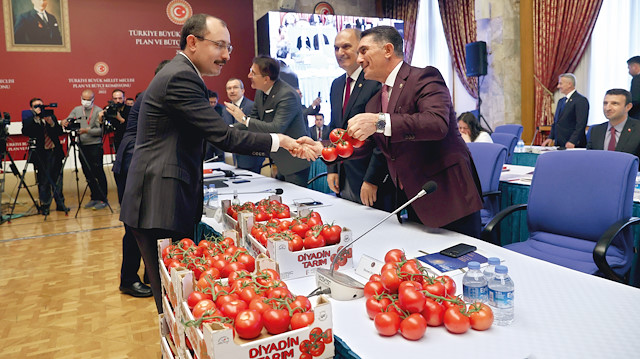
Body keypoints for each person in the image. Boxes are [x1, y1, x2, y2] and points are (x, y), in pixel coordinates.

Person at [119, 14, 307, 313]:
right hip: (159, 203)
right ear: (192, 42)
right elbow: (222, 136)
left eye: (229, 47)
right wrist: (279, 141)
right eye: (220, 45)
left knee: (173, 297)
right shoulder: (181, 76)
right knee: (171, 300)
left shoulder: (181, 73)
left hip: (161, 200)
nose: (227, 55)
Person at [302, 26, 483, 237]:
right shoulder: (375, 101)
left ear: (387, 50)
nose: (359, 59)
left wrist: (379, 122)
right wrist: (323, 148)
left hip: (448, 197)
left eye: (364, 51)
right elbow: (363, 146)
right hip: (414, 199)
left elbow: (436, 124)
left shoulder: (424, 77)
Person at [112, 60, 171, 299]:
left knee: (149, 223)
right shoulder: (154, 95)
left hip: (139, 162)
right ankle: (128, 279)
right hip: (133, 163)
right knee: (134, 225)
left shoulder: (151, 94)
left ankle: (150, 272)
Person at [327, 28, 392, 210]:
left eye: (346, 46)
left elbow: (382, 137)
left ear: (361, 48)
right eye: (336, 48)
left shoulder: (376, 82)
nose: (340, 52)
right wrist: (332, 168)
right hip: (344, 176)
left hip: (371, 180)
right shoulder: (337, 85)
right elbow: (335, 129)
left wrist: (372, 179)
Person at [236, 55, 311, 187]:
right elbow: (253, 120)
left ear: (266, 79)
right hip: (278, 159)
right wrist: (228, 127)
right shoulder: (260, 92)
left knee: (296, 202)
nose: (248, 76)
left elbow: (276, 128)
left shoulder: (287, 94)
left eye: (253, 73)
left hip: (294, 161)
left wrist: (243, 119)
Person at [21, 97, 68, 215]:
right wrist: (36, 119)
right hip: (41, 154)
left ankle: (60, 204)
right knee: (44, 181)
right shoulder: (29, 119)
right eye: (36, 106)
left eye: (41, 106)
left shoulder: (51, 116)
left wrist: (52, 123)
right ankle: (45, 206)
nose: (40, 108)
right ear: (31, 108)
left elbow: (59, 132)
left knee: (58, 180)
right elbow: (26, 132)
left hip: (55, 152)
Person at [63, 89, 109, 210]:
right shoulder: (77, 110)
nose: (86, 102)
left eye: (89, 100)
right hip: (81, 145)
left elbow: (101, 131)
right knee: (87, 173)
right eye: (84, 99)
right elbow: (69, 120)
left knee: (98, 172)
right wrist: (66, 122)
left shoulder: (99, 111)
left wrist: (86, 130)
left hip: (95, 145)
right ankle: (94, 197)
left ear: (93, 99)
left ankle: (103, 199)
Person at [222, 78, 264, 173]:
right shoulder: (226, 109)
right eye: (229, 88)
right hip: (235, 156)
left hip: (251, 156)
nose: (232, 91)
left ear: (243, 90)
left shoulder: (252, 106)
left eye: (235, 87)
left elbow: (254, 128)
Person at [587, 89, 640, 158]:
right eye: (605, 103)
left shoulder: (637, 130)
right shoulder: (595, 130)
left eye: (614, 103)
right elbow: (591, 158)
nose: (607, 108)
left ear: (628, 107)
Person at [541, 73, 589, 148]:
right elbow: (556, 122)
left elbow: (581, 124)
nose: (558, 86)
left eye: (560, 83)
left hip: (574, 145)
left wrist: (573, 141)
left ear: (569, 84)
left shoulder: (581, 100)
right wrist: (550, 137)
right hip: (560, 143)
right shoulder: (561, 101)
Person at [204, 89, 225, 162]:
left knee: (220, 158)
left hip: (218, 137)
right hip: (207, 138)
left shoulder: (222, 109)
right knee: (207, 158)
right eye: (211, 102)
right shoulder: (202, 109)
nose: (213, 104)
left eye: (214, 102)